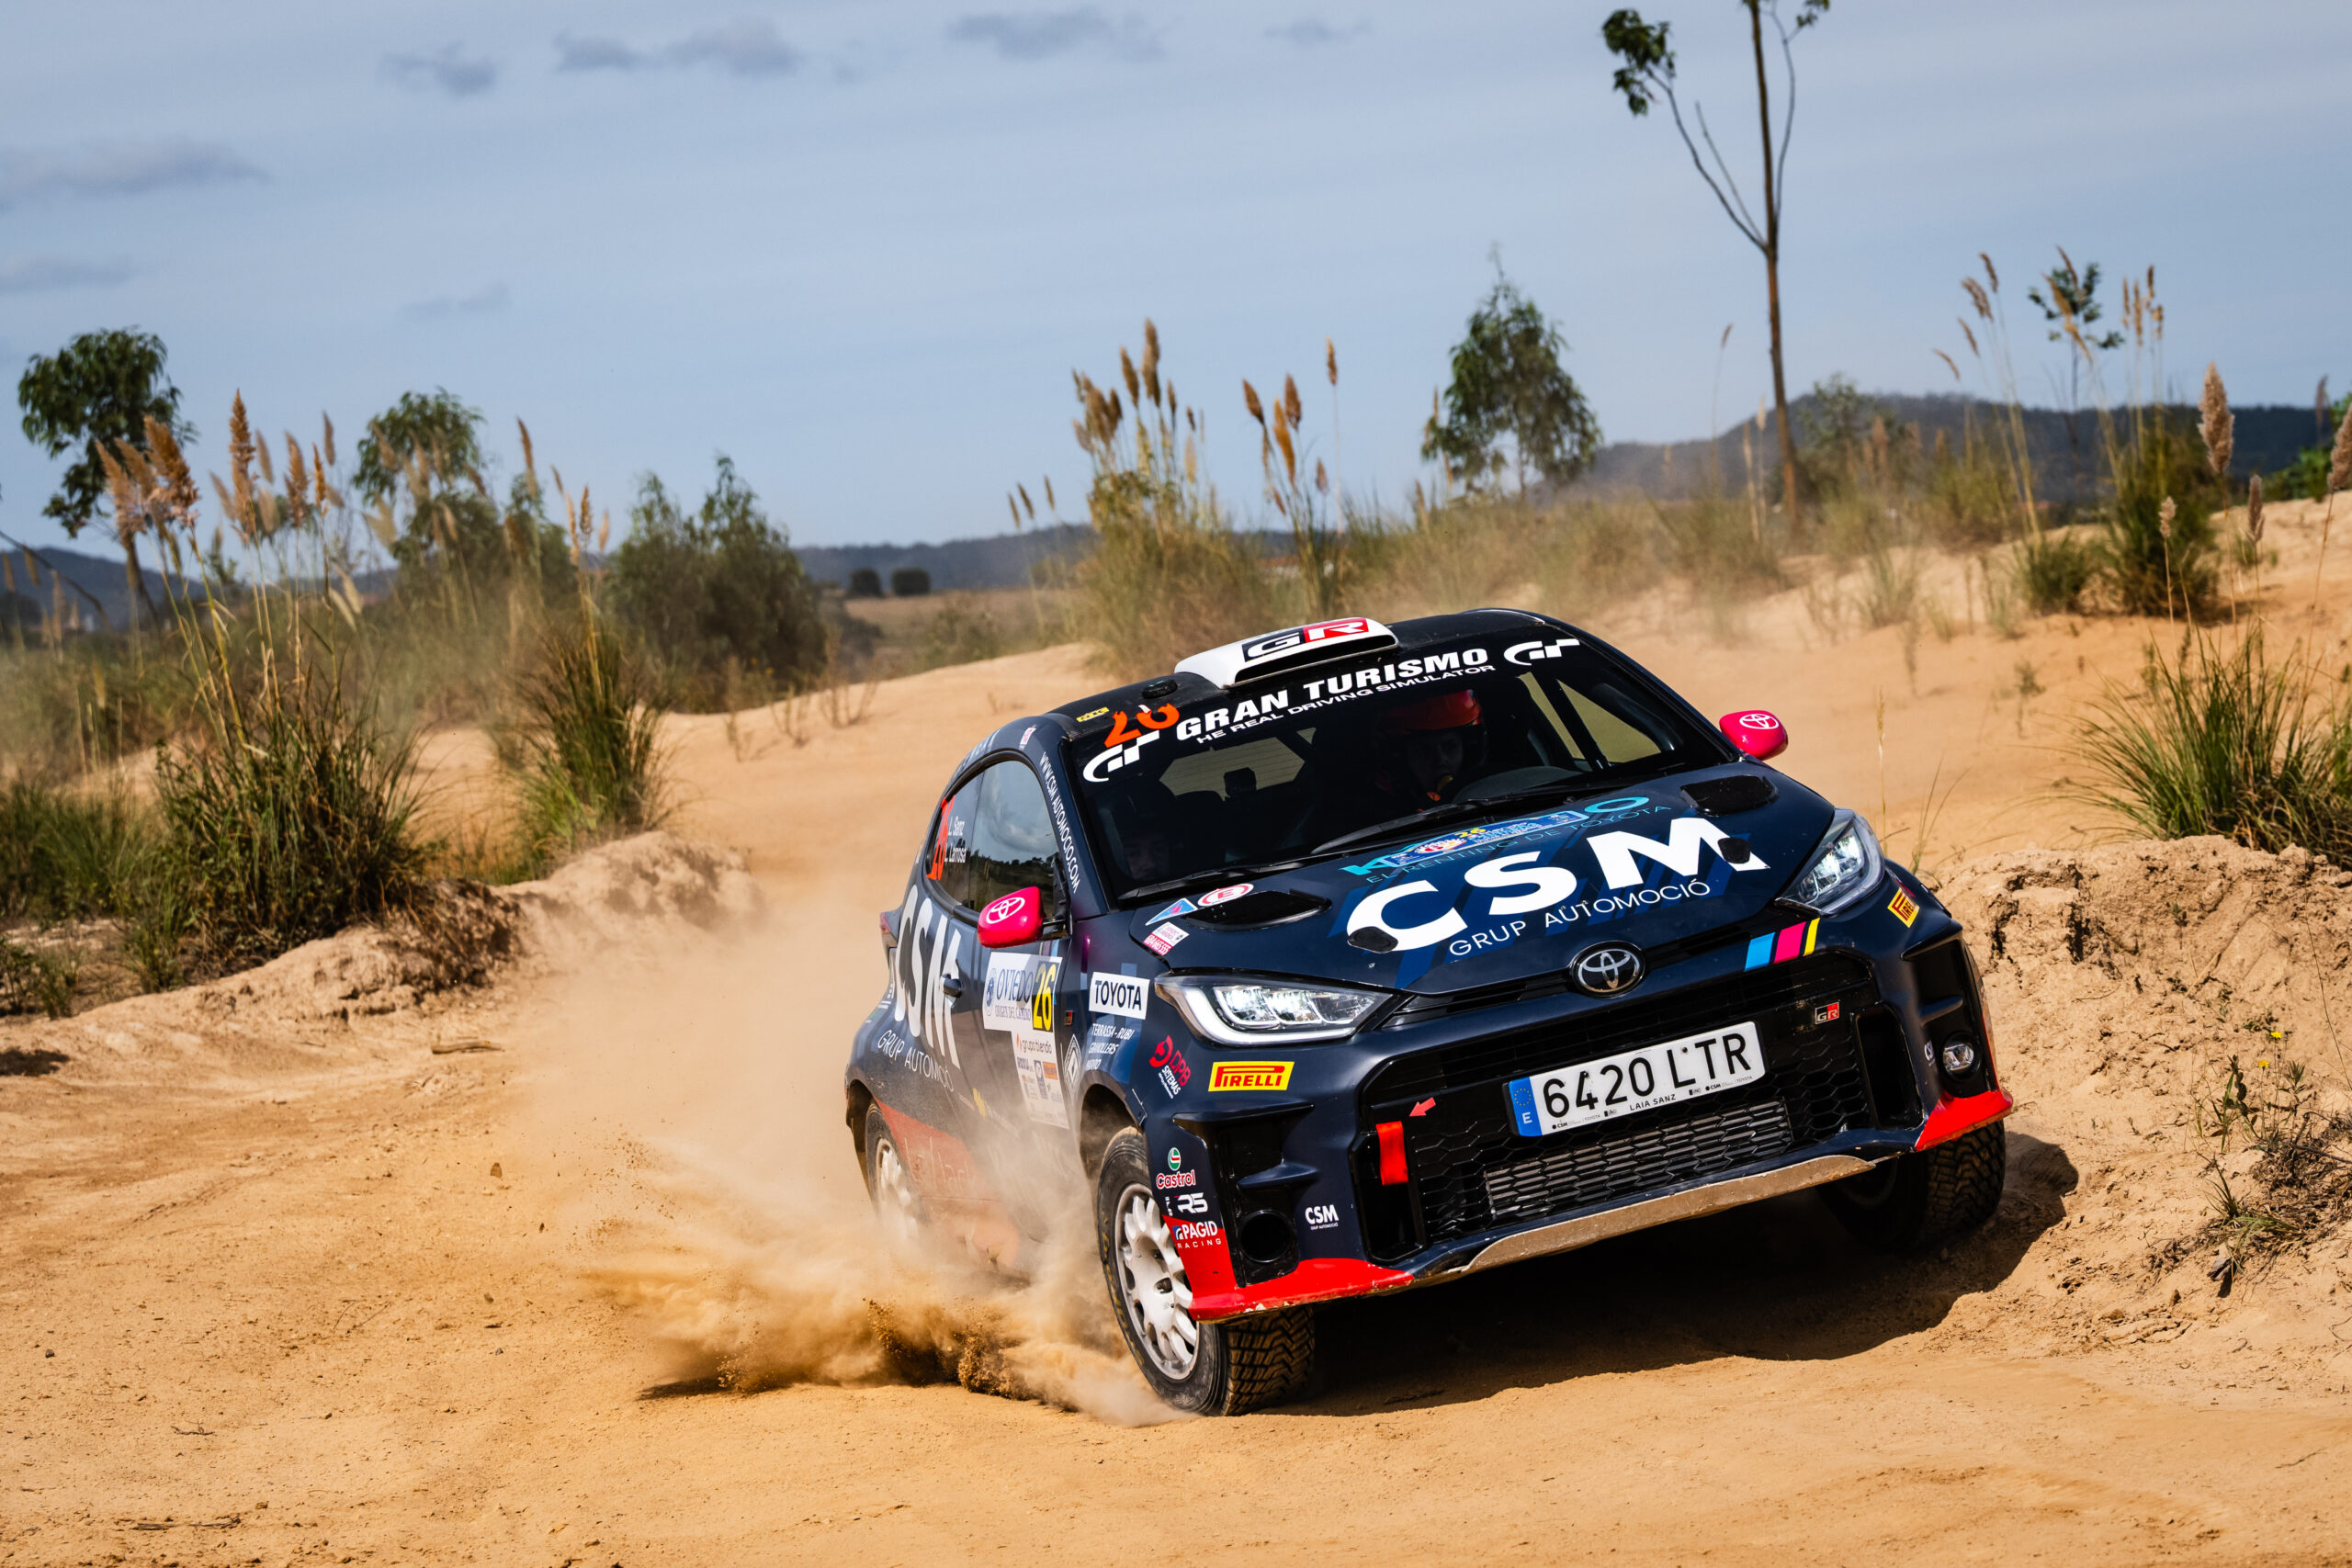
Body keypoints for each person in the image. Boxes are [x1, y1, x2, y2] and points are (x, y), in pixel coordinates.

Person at [1375, 688, 1486, 807]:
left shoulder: (1494, 794)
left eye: (1450, 747)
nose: (1440, 760)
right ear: (1403, 759)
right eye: (1423, 751)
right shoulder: (1377, 812)